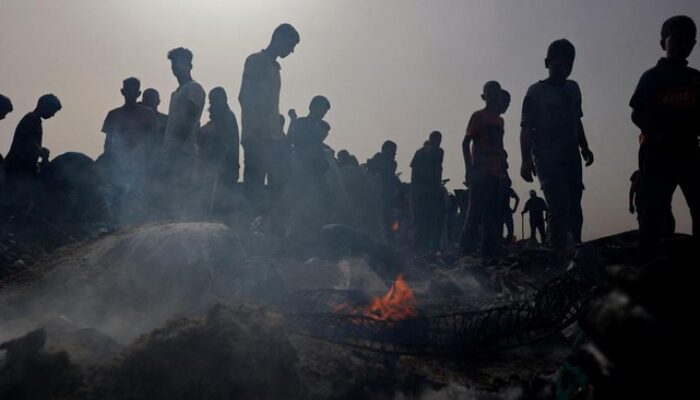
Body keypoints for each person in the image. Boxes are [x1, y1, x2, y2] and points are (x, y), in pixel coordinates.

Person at [520, 39, 594, 263]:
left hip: (570, 155)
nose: (564, 69)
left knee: (575, 205)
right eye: (559, 64)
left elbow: (577, 121)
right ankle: (556, 255)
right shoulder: (535, 92)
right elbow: (526, 129)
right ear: (547, 63)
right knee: (558, 205)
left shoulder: (573, 88)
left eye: (569, 65)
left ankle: (575, 254)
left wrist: (585, 146)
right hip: (546, 156)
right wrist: (525, 161)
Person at [630, 15, 699, 254]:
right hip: (657, 154)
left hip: (689, 152)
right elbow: (637, 114)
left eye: (687, 40)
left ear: (693, 44)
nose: (681, 44)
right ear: (663, 43)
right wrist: (658, 132)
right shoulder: (652, 77)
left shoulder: (696, 79)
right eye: (676, 39)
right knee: (653, 211)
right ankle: (646, 262)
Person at [238, 23, 299, 200]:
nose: (292, 51)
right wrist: (258, 132)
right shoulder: (256, 61)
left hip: (274, 138)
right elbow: (245, 98)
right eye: (291, 45)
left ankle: (270, 226)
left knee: (279, 188)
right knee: (254, 187)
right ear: (280, 38)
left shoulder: (274, 68)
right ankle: (246, 225)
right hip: (257, 137)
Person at [157, 47, 206, 218]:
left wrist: (177, 148)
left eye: (178, 63)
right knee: (171, 195)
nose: (175, 68)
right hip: (172, 149)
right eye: (173, 64)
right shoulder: (175, 93)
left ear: (189, 65)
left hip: (183, 152)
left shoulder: (194, 88)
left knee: (181, 194)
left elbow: (190, 117)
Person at [461, 81, 506, 257]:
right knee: (474, 211)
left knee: (491, 214)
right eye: (490, 93)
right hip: (480, 170)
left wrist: (503, 170)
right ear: (484, 96)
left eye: (496, 92)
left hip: (495, 172)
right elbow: (466, 143)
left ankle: (489, 252)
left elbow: (500, 147)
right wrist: (469, 168)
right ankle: (466, 250)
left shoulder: (500, 120)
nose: (494, 96)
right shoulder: (478, 116)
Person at [101, 77, 157, 218]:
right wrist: (109, 160)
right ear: (122, 92)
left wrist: (151, 162)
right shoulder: (113, 114)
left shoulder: (147, 114)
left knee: (138, 198)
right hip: (119, 164)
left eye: (134, 91)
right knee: (119, 196)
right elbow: (108, 142)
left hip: (141, 164)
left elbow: (153, 140)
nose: (131, 94)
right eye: (128, 90)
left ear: (138, 93)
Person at [3, 94, 62, 215]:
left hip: (21, 168)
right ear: (45, 106)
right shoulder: (32, 120)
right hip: (18, 169)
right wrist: (42, 152)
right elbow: (27, 145)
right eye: (52, 111)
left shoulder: (33, 119)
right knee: (18, 205)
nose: (53, 115)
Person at [198, 87, 240, 215]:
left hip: (224, 169)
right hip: (221, 169)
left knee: (220, 207)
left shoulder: (226, 118)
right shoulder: (223, 118)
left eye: (213, 101)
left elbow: (224, 145)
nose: (211, 105)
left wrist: (215, 166)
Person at [410, 131, 444, 251]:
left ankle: (419, 247)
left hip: (419, 192)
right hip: (429, 191)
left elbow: (414, 172)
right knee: (431, 220)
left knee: (419, 220)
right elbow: (437, 171)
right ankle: (431, 247)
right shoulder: (438, 152)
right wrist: (437, 188)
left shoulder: (419, 152)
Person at [287, 95, 331, 180]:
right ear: (312, 107)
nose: (322, 114)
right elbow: (290, 139)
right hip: (302, 167)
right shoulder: (301, 122)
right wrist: (293, 120)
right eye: (321, 110)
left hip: (317, 169)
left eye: (324, 112)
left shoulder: (322, 126)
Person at [368, 140, 400, 241]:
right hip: (376, 197)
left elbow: (391, 177)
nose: (394, 154)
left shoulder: (391, 163)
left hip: (387, 197)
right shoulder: (377, 161)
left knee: (388, 221)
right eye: (393, 151)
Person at [629, 170, 675, 238]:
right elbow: (632, 190)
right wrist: (630, 204)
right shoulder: (637, 174)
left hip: (653, 202)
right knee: (643, 220)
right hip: (641, 202)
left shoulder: (657, 174)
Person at [498, 176, 520, 243]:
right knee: (506, 229)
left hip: (502, 212)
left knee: (504, 230)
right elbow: (517, 199)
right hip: (502, 212)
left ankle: (504, 244)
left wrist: (514, 209)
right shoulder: (508, 189)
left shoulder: (498, 189)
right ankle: (504, 244)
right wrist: (514, 209)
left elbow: (517, 199)